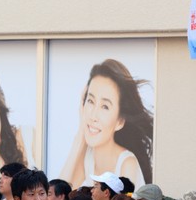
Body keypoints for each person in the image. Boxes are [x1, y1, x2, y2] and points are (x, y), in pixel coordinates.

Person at [60, 59, 153, 189]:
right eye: (90, 101)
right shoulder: (86, 156)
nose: (93, 116)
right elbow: (57, 199)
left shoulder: (127, 164)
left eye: (105, 106)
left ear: (120, 121)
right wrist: (81, 130)